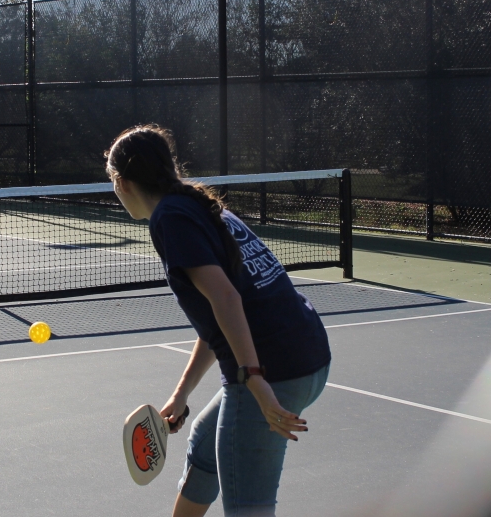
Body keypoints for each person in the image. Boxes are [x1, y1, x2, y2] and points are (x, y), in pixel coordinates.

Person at [105, 125, 330, 517]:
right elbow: (219, 317)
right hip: (308, 354)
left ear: (121, 182)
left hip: (275, 369)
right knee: (206, 446)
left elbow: (228, 298)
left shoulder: (170, 219)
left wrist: (255, 378)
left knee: (247, 507)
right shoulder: (196, 205)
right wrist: (182, 394)